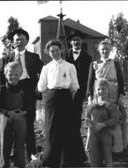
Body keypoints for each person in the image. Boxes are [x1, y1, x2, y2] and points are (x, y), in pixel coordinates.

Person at [35, 39, 86, 167]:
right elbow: (41, 87)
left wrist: (68, 96)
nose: (55, 53)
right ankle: (51, 159)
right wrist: (51, 92)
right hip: (51, 99)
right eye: (52, 51)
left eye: (57, 50)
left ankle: (69, 159)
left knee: (68, 128)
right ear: (48, 53)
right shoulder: (46, 68)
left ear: (61, 50)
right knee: (52, 129)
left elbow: (74, 86)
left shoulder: (70, 66)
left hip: (66, 98)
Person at [0, 28, 43, 161]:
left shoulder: (34, 57)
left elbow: (44, 73)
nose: (19, 42)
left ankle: (31, 153)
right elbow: (0, 75)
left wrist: (38, 87)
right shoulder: (7, 58)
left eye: (22, 39)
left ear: (27, 41)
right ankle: (13, 153)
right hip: (12, 89)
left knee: (28, 122)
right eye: (16, 39)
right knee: (11, 122)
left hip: (28, 89)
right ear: (13, 42)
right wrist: (3, 89)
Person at [87, 39, 126, 152]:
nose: (105, 51)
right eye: (103, 49)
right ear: (99, 50)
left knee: (113, 117)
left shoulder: (115, 63)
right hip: (98, 93)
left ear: (110, 50)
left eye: (107, 49)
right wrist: (90, 97)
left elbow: (121, 80)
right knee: (97, 116)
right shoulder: (94, 64)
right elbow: (89, 82)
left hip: (113, 92)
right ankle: (95, 146)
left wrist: (121, 95)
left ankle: (115, 146)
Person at [0, 62, 28, 168]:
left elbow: (29, 104)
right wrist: (8, 112)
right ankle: (4, 165)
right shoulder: (2, 89)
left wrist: (23, 112)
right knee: (5, 145)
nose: (12, 76)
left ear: (20, 75)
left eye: (16, 74)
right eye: (10, 74)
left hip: (20, 119)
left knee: (20, 145)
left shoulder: (24, 88)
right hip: (6, 119)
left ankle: (20, 165)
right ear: (5, 74)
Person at [85, 79, 118, 167]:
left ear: (108, 90)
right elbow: (87, 117)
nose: (101, 91)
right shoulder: (91, 104)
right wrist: (88, 122)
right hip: (94, 133)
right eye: (98, 89)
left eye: (103, 89)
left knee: (107, 155)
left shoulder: (111, 105)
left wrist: (103, 124)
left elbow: (115, 120)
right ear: (95, 91)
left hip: (106, 133)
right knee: (94, 156)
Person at [66, 30, 92, 130]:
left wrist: (87, 91)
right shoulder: (64, 55)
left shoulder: (87, 57)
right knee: (67, 112)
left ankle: (76, 133)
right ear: (70, 42)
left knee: (77, 112)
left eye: (78, 40)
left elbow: (89, 75)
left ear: (81, 41)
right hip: (66, 89)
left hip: (80, 89)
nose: (76, 42)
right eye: (74, 40)